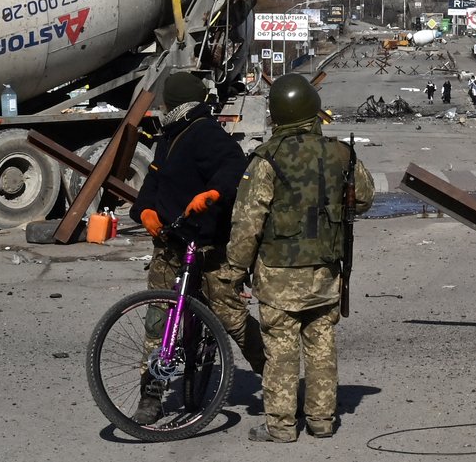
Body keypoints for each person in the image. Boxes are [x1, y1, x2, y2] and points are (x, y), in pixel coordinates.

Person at [223, 73, 374, 442]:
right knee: (321, 343)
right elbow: (366, 197)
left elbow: (247, 223)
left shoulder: (266, 159)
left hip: (277, 273)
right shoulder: (341, 153)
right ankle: (322, 421)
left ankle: (282, 426)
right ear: (312, 110)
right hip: (325, 270)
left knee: (281, 349)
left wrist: (234, 270)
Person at [130, 70, 265, 424]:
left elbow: (235, 167)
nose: (160, 107)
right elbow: (154, 180)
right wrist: (144, 210)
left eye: (164, 102)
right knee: (158, 321)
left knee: (233, 320)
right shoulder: (169, 134)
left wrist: (213, 194)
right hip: (170, 245)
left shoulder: (204, 132)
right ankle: (151, 394)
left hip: (207, 247)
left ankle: (276, 378)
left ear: (174, 104)